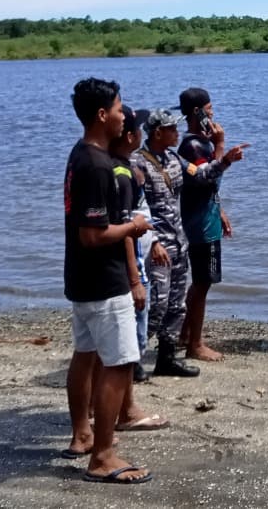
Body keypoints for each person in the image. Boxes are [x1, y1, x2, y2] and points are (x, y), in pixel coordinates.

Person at [62, 78, 154, 484]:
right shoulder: (98, 165)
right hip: (103, 280)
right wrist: (132, 226)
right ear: (102, 115)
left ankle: (82, 434)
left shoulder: (80, 155)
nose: (123, 116)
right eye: (119, 109)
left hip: (81, 279)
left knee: (85, 355)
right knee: (119, 364)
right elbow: (93, 234)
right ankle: (103, 455)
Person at [132, 108, 238, 376]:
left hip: (179, 241)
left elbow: (200, 175)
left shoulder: (173, 157)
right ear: (157, 133)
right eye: (171, 129)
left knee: (176, 305)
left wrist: (224, 160)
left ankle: (166, 359)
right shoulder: (138, 164)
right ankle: (130, 360)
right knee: (156, 304)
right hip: (156, 245)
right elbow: (134, 208)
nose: (177, 132)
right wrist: (152, 241)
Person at [106, 106, 170, 428]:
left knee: (125, 343)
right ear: (130, 135)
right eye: (139, 129)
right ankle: (124, 411)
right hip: (125, 269)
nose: (143, 133)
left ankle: (120, 408)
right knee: (126, 344)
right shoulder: (121, 172)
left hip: (130, 262)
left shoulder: (123, 168)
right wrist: (135, 279)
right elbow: (126, 227)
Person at [176, 87, 249, 362]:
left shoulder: (200, 143)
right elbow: (206, 178)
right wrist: (222, 149)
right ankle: (195, 343)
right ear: (197, 113)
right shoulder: (193, 145)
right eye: (209, 109)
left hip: (207, 217)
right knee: (203, 281)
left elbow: (208, 189)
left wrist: (220, 211)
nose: (213, 114)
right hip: (198, 224)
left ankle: (185, 334)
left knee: (202, 281)